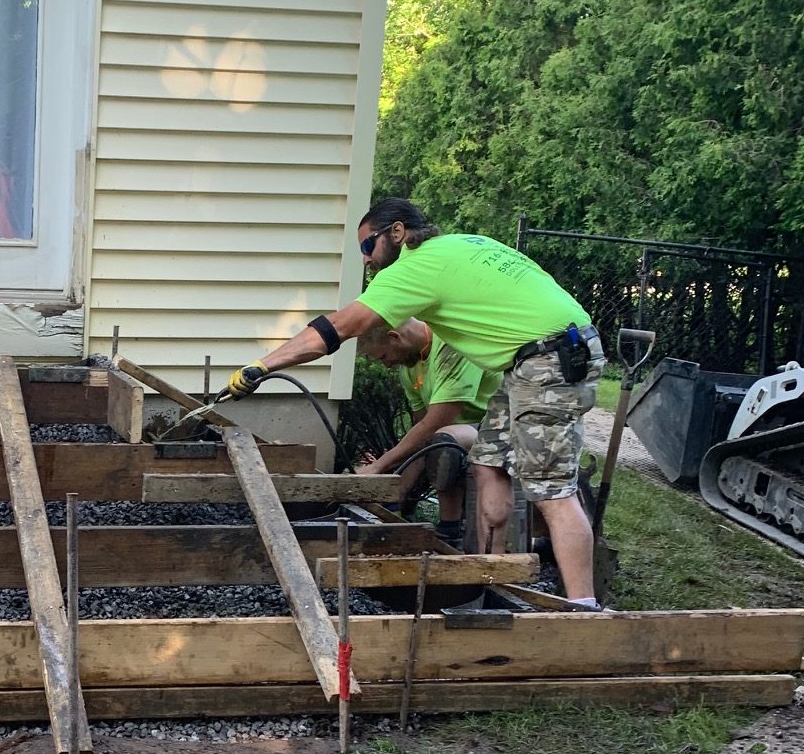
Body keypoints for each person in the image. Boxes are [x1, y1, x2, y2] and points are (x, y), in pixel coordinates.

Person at [226, 198, 607, 603]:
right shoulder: (463, 244)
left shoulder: (415, 266)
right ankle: (492, 579)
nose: (366, 260)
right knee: (487, 461)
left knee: (551, 490)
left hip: (549, 357)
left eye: (367, 247)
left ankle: (584, 611)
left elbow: (338, 327)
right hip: (532, 357)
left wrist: (262, 366)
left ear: (397, 232)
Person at [354, 316, 499, 540]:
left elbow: (435, 424)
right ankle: (400, 512)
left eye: (383, 357)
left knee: (443, 441)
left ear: (395, 337)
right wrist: (394, 485)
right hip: (462, 432)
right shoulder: (410, 369)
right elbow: (420, 431)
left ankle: (450, 529)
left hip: (502, 427)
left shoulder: (453, 345)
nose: (387, 365)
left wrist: (377, 466)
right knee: (431, 443)